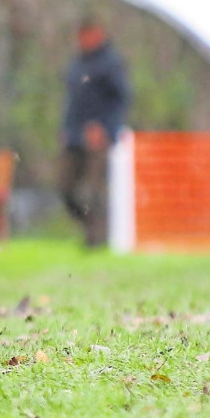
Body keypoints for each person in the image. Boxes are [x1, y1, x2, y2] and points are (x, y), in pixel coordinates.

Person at [58, 16, 132, 248]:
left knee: (95, 190)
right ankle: (90, 227)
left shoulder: (111, 63)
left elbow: (121, 99)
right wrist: (67, 128)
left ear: (98, 34)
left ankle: (97, 239)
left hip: (99, 137)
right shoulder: (77, 63)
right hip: (74, 135)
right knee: (66, 187)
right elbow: (72, 101)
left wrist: (104, 126)